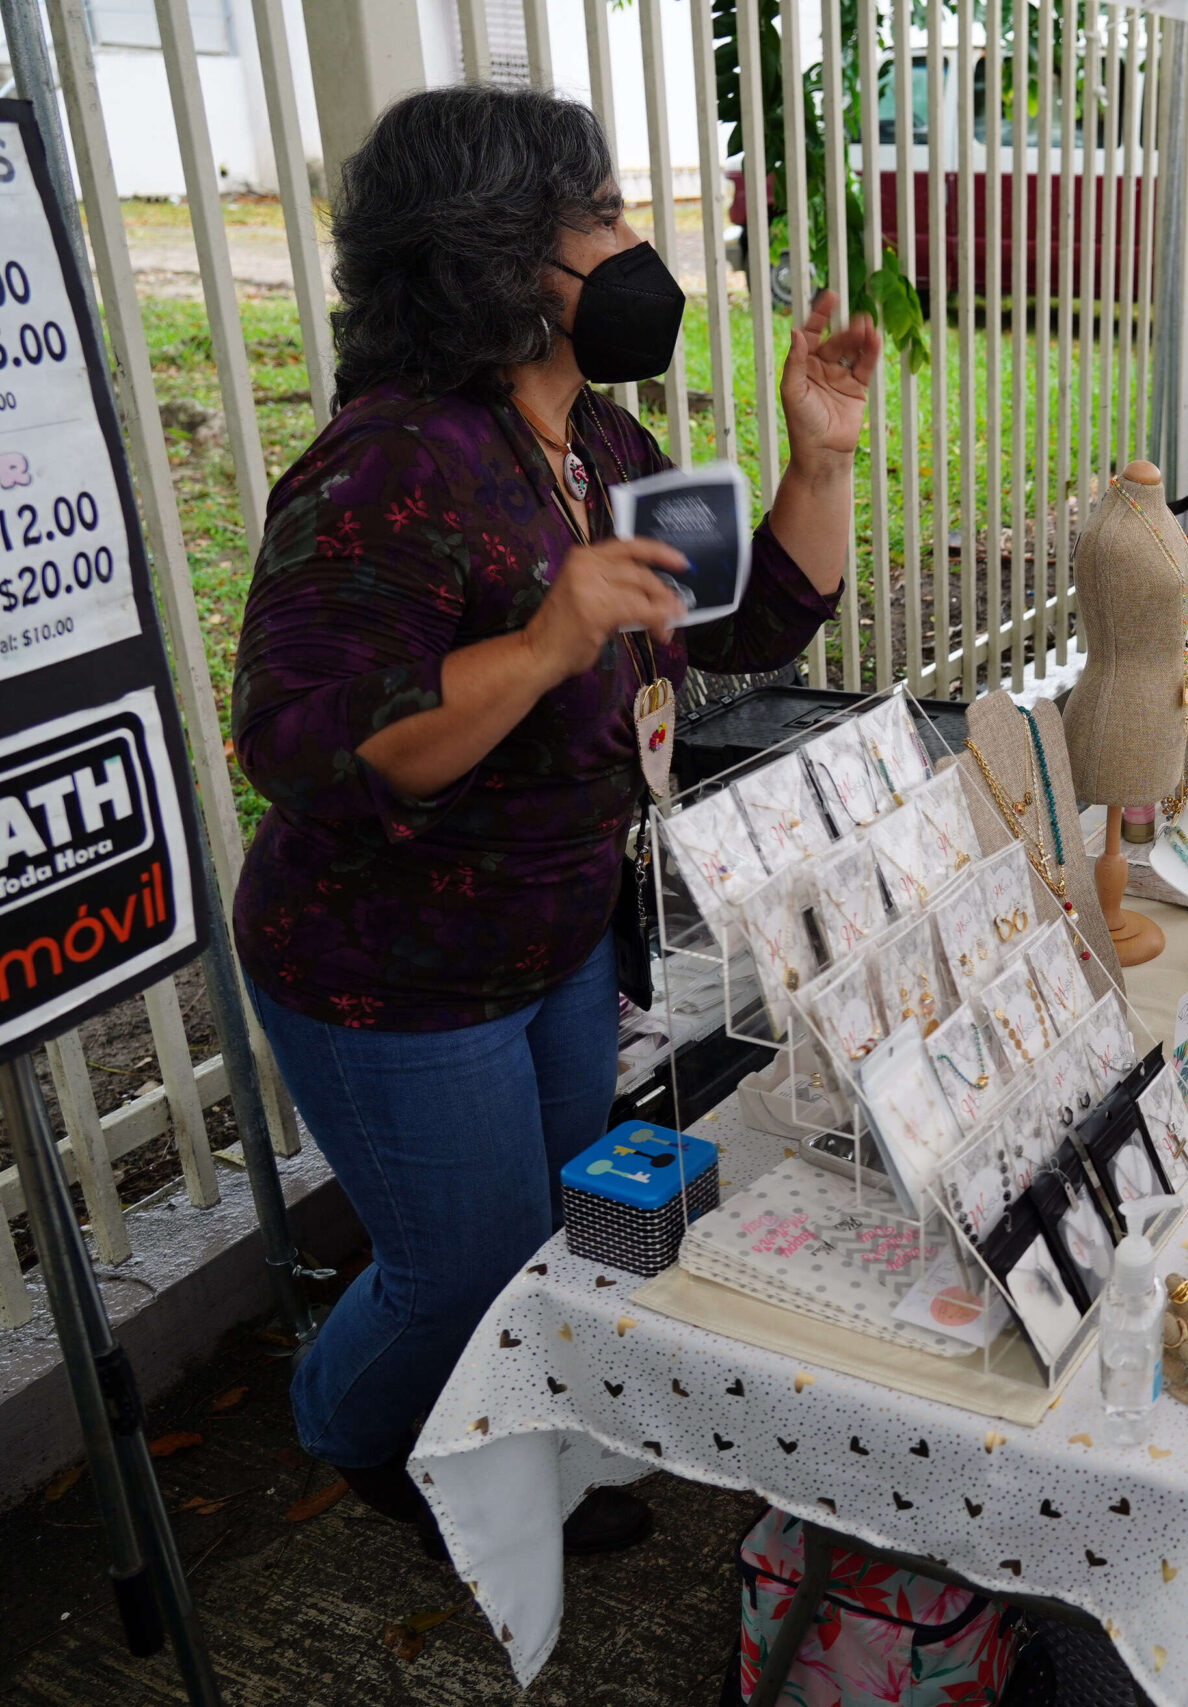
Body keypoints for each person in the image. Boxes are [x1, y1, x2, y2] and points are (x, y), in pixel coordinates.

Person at [229, 87, 877, 1554]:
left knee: (548, 1236)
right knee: (453, 1273)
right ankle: (353, 1429)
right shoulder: (389, 462)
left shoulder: (593, 435)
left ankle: (506, 1442)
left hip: (557, 941)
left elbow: (755, 616)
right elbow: (303, 737)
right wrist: (539, 640)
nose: (637, 243)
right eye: (600, 217)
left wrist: (821, 451)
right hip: (393, 972)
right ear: (500, 258)